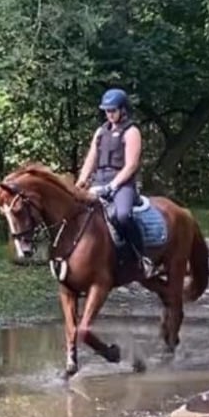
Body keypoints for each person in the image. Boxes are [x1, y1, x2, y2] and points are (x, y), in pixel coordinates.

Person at [75, 87, 154, 277]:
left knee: (123, 216)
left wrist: (112, 186)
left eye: (113, 110)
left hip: (122, 184)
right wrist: (80, 183)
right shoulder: (100, 132)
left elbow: (131, 165)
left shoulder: (132, 131)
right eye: (107, 111)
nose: (109, 114)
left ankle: (142, 257)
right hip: (99, 181)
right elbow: (90, 160)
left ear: (123, 109)